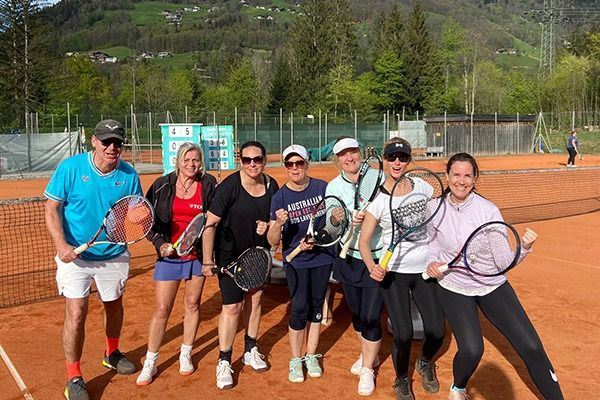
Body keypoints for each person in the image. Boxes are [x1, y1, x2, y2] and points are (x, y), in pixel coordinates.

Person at [424, 152, 564, 400]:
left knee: (531, 346)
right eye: (456, 174)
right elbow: (432, 241)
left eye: (467, 175)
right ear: (447, 176)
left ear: (475, 178)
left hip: (491, 284)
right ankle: (458, 388)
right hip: (454, 285)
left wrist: (524, 248)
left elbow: (502, 262)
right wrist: (432, 261)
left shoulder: (487, 211)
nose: (461, 181)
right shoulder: (434, 207)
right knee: (471, 349)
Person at [44, 119, 142, 400]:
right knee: (76, 312)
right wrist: (61, 245)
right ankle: (73, 376)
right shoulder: (71, 168)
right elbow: (52, 207)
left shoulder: (128, 175)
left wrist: (136, 216)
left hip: (114, 253)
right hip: (75, 256)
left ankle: (111, 353)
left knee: (114, 305)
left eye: (117, 143)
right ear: (94, 141)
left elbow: (134, 210)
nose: (112, 147)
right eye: (106, 141)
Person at [359, 138, 445, 400]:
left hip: (425, 270)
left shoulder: (422, 186)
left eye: (403, 157)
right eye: (392, 157)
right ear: (385, 161)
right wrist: (372, 266)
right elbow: (364, 242)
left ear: (409, 161)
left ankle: (425, 361)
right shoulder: (378, 201)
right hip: (393, 274)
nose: (397, 162)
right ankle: (401, 379)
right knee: (404, 334)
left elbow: (439, 212)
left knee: (436, 330)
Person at [136, 142, 217, 385]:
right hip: (168, 256)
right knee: (162, 309)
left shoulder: (208, 184)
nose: (192, 164)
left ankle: (185, 353)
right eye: (187, 160)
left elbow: (215, 221)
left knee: (192, 304)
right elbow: (147, 221)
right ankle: (150, 361)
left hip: (197, 257)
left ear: (201, 162)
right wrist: (160, 243)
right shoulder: (162, 185)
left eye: (196, 160)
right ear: (178, 161)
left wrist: (209, 256)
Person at [202, 140, 279, 389]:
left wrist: (268, 226)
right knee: (232, 307)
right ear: (241, 161)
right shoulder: (229, 187)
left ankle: (250, 349)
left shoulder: (272, 185)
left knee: (255, 300)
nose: (252, 164)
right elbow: (210, 224)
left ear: (264, 160)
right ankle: (224, 360)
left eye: (257, 159)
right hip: (230, 256)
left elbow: (274, 227)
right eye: (247, 160)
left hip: (257, 254)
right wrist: (207, 260)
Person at [267, 144, 334, 383]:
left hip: (322, 258)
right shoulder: (280, 197)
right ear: (285, 167)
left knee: (316, 306)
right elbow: (272, 240)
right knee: (298, 309)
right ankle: (296, 359)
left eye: (299, 163)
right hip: (296, 262)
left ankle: (311, 355)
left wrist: (328, 229)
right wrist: (277, 224)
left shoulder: (322, 188)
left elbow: (333, 224)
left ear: (307, 164)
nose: (294, 168)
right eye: (289, 164)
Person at [325, 137, 384, 396]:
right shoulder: (333, 187)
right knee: (358, 314)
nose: (349, 158)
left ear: (359, 154)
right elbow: (331, 226)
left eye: (353, 152)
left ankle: (368, 368)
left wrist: (371, 218)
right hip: (348, 257)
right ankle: (368, 353)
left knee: (371, 315)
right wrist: (339, 219)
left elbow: (390, 210)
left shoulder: (378, 178)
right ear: (337, 159)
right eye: (343, 154)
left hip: (375, 257)